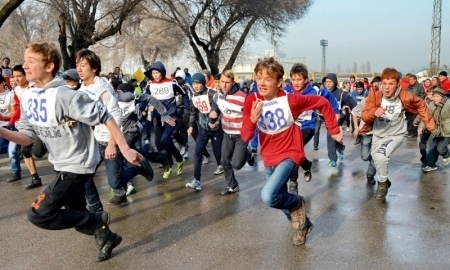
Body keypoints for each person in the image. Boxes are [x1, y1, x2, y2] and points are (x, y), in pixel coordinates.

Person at [0, 42, 145, 262]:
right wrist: (2, 131)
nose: (25, 66)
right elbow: (27, 138)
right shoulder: (30, 97)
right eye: (24, 60)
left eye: (32, 61)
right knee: (77, 214)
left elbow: (106, 115)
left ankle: (98, 222)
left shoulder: (66, 95)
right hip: (61, 164)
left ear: (49, 66)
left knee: (40, 214)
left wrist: (123, 148)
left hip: (78, 165)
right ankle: (107, 235)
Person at [241, 57, 342, 245]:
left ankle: (297, 202)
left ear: (279, 82)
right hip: (269, 156)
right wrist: (252, 120)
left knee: (268, 196)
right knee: (278, 198)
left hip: (290, 153)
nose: (262, 83)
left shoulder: (291, 100)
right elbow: (245, 136)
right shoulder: (251, 100)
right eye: (258, 78)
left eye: (268, 78)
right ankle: (303, 227)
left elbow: (323, 103)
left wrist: (334, 130)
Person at [76, 49, 154, 206]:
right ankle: (95, 210)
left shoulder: (103, 88)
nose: (79, 69)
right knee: (83, 173)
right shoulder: (82, 88)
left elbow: (116, 116)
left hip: (111, 140)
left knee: (114, 182)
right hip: (95, 140)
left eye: (83, 65)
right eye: (77, 65)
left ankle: (139, 167)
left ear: (94, 68)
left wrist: (112, 143)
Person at [361, 67, 435, 200]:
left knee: (381, 156)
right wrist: (374, 112)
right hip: (378, 134)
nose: (387, 87)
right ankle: (385, 181)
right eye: (384, 83)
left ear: (397, 84)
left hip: (395, 135)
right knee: (376, 158)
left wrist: (430, 125)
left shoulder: (405, 96)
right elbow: (365, 116)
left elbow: (421, 105)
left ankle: (382, 183)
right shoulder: (375, 95)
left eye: (391, 84)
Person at [285, 63, 340, 194]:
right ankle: (306, 164)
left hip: (308, 126)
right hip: (291, 127)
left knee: (293, 150)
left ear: (305, 79)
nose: (296, 83)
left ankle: (293, 183)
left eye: (299, 79)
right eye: (294, 79)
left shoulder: (314, 91)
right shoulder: (286, 91)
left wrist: (336, 112)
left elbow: (329, 97)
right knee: (293, 152)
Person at [211, 70, 254, 195]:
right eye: (222, 82)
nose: (223, 85)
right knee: (224, 160)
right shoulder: (217, 95)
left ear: (233, 82)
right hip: (227, 132)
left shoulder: (243, 96)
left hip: (241, 134)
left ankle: (247, 154)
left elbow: (251, 114)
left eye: (227, 82)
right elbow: (215, 109)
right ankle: (232, 185)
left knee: (236, 164)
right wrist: (212, 118)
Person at [148, 61, 190, 178]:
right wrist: (143, 109)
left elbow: (185, 94)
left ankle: (169, 165)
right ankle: (179, 159)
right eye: (153, 73)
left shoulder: (172, 83)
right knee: (159, 142)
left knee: (164, 140)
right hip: (158, 118)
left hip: (171, 117)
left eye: (157, 72)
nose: (155, 75)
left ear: (162, 72)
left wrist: (186, 111)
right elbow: (144, 98)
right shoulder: (150, 84)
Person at [6, 65, 45, 188]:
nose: (16, 79)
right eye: (14, 76)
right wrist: (11, 121)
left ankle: (62, 176)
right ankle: (35, 178)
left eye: (19, 76)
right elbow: (19, 109)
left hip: (41, 124)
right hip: (25, 126)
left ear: (26, 75)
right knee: (23, 150)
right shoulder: (16, 90)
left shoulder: (35, 86)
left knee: (39, 152)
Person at [185, 73, 224, 191]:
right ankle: (196, 180)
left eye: (198, 83)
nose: (195, 86)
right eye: (194, 84)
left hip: (216, 129)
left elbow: (222, 111)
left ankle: (228, 177)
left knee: (219, 154)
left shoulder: (212, 94)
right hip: (203, 129)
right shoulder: (194, 97)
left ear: (203, 83)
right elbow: (193, 114)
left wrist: (216, 122)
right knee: (197, 153)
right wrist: (191, 126)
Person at [322, 73, 357, 167]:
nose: (328, 84)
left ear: (335, 82)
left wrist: (357, 112)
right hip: (327, 119)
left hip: (338, 119)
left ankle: (332, 160)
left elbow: (353, 103)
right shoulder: (323, 94)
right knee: (334, 137)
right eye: (326, 82)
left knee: (330, 137)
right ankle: (340, 148)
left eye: (330, 82)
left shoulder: (342, 94)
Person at [352, 76, 381, 185]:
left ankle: (370, 175)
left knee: (376, 155)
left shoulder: (386, 102)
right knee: (365, 156)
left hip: (380, 134)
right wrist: (356, 128)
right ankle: (373, 161)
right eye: (374, 88)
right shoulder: (366, 101)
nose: (376, 90)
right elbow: (354, 113)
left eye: (378, 88)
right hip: (366, 133)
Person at [419, 87, 450, 172]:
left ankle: (447, 155)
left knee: (440, 148)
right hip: (435, 129)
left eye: (437, 96)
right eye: (434, 96)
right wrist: (421, 127)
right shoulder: (432, 105)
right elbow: (427, 118)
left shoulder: (448, 104)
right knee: (429, 146)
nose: (435, 98)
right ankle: (431, 165)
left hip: (447, 131)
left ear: (442, 96)